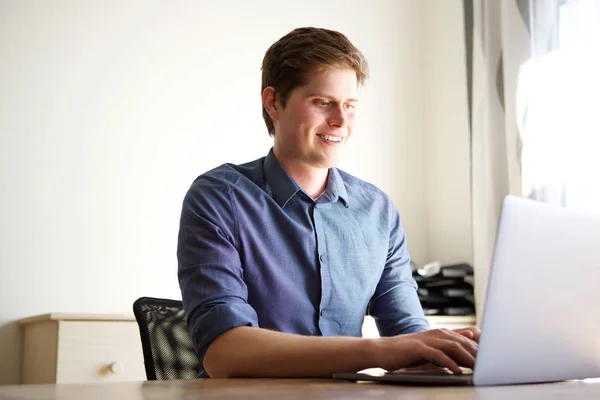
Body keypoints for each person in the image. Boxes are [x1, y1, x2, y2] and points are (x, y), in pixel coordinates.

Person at [177, 27, 479, 379]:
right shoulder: (218, 197)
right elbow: (225, 354)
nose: (340, 120)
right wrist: (378, 351)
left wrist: (453, 350)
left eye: (350, 105)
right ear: (273, 102)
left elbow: (409, 335)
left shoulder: (377, 211)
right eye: (323, 103)